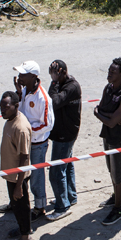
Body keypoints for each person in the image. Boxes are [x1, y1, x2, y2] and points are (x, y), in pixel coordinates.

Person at [13, 61, 55, 222]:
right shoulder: (24, 91)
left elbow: (47, 123)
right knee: (21, 173)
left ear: (33, 76)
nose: (20, 77)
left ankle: (39, 206)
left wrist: (27, 132)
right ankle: (19, 201)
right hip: (25, 141)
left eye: (23, 75)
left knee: (37, 176)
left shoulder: (42, 98)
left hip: (37, 143)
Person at [94, 58, 121, 225]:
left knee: (117, 173)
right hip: (107, 135)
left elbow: (108, 119)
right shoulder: (108, 88)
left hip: (117, 138)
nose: (109, 74)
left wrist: (101, 114)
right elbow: (102, 110)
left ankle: (118, 208)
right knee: (111, 170)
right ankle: (115, 196)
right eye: (109, 71)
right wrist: (110, 115)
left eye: (113, 72)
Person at [0, 91, 34, 240]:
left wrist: (19, 185)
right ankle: (22, 229)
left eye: (5, 107)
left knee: (22, 207)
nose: (2, 110)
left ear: (16, 106)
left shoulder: (20, 128)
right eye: (1, 106)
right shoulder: (10, 120)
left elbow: (24, 158)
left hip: (18, 178)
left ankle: (26, 237)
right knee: (16, 206)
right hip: (11, 176)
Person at [46, 60, 80, 221]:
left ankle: (62, 206)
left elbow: (53, 102)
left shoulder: (71, 86)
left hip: (65, 133)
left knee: (56, 170)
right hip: (62, 131)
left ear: (62, 72)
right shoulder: (61, 84)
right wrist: (54, 82)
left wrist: (53, 81)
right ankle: (70, 197)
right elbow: (48, 97)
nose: (53, 76)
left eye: (55, 72)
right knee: (67, 165)